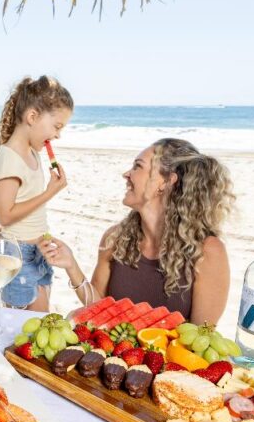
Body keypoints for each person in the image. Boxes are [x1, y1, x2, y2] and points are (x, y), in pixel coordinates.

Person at [39, 138, 234, 324]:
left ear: (165, 182)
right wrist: (71, 265)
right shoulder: (115, 238)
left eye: (138, 166)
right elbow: (97, 308)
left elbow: (201, 337)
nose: (127, 174)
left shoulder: (208, 251)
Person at [0, 76, 74, 311]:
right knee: (26, 328)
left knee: (39, 322)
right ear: (32, 117)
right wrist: (50, 193)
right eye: (57, 126)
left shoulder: (33, 153)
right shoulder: (8, 157)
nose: (57, 135)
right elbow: (4, 216)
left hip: (39, 249)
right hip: (19, 256)